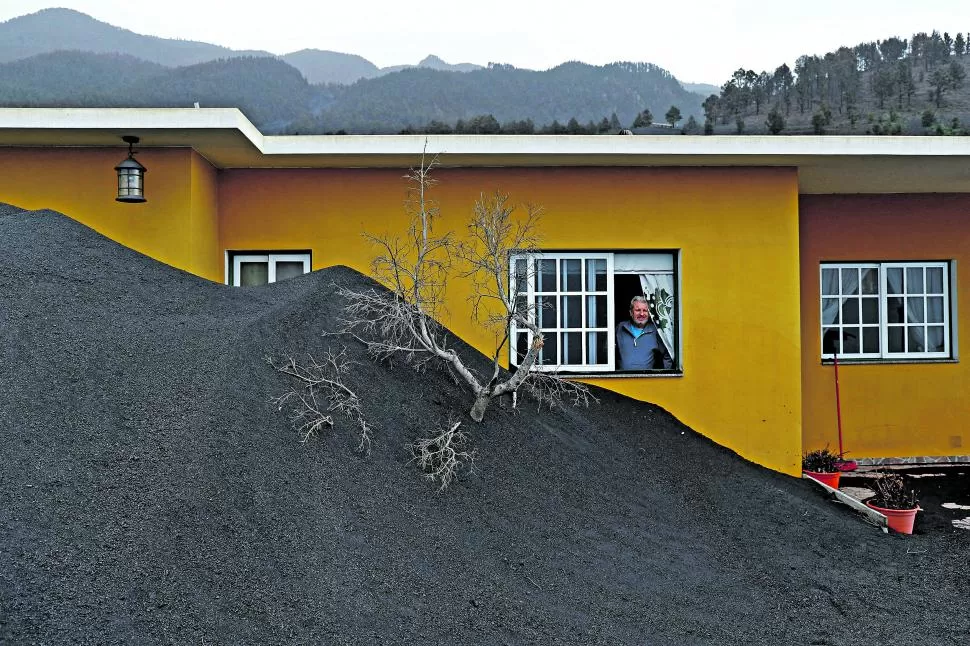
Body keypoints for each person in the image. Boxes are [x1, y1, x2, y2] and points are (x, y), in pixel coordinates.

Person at [616, 295, 673, 370]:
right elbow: (608, 349)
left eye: (645, 310)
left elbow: (668, 354)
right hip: (621, 377)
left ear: (649, 314)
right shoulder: (620, 328)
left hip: (647, 377)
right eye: (638, 310)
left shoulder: (655, 331)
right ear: (631, 312)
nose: (642, 314)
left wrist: (664, 373)